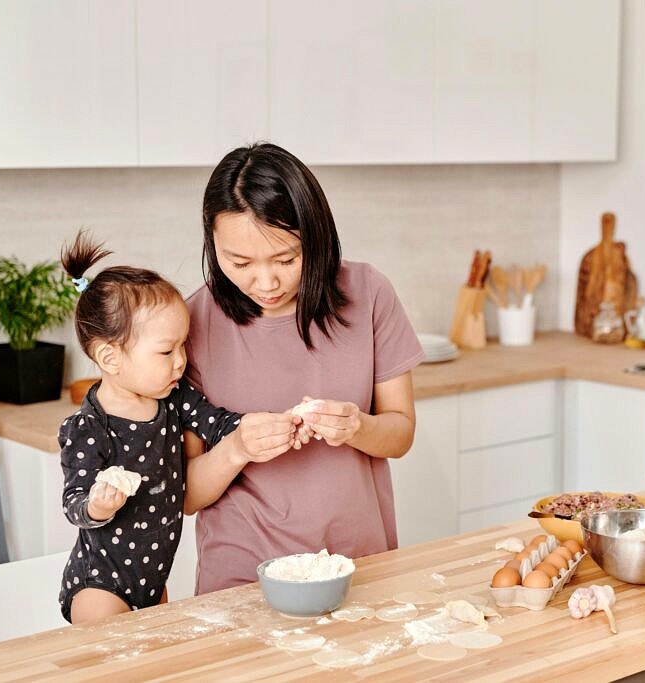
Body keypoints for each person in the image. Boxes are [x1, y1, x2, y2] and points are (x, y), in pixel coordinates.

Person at [182, 142, 424, 594]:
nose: (266, 282)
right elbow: (188, 494)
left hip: (358, 565)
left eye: (286, 259)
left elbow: (401, 434)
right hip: (240, 580)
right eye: (239, 262)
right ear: (212, 244)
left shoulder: (368, 292)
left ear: (316, 235)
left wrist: (356, 426)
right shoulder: (192, 322)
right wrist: (237, 447)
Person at [57, 232, 291, 623]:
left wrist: (263, 425)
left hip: (153, 580)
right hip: (99, 584)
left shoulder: (175, 400)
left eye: (183, 346)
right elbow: (74, 503)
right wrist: (98, 504)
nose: (181, 361)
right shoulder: (87, 427)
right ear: (109, 357)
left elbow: (218, 423)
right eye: (167, 351)